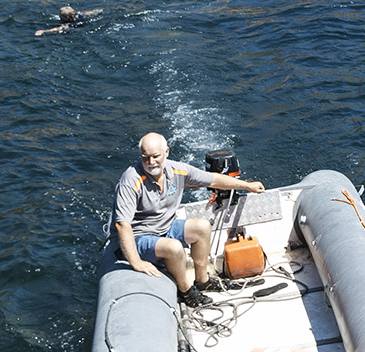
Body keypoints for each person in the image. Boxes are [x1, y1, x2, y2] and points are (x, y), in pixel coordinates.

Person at [110, 132, 265, 308]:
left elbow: (214, 180)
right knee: (174, 247)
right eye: (145, 158)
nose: (151, 162)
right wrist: (136, 262)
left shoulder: (177, 171)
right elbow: (122, 224)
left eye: (155, 156)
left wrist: (247, 185)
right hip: (139, 236)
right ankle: (185, 291)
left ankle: (203, 280)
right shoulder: (131, 180)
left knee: (202, 227)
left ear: (166, 152)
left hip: (164, 228)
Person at [35, 5, 102, 37]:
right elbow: (88, 13)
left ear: (62, 17)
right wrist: (97, 11)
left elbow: (56, 29)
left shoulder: (66, 24)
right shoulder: (79, 15)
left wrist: (43, 31)